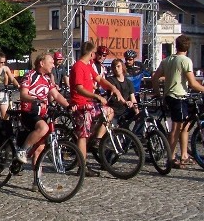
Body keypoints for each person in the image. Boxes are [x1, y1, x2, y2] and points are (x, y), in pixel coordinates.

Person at [69, 42, 125, 177]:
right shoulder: (78, 67)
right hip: (81, 104)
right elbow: (79, 88)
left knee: (109, 111)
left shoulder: (88, 66)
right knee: (83, 135)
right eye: (95, 53)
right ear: (91, 53)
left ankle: (97, 139)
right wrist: (96, 96)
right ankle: (82, 167)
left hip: (89, 103)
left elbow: (99, 79)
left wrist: (113, 88)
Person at [151, 34, 204, 168]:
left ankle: (184, 155)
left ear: (176, 45)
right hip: (178, 97)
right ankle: (172, 157)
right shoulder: (185, 60)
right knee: (176, 128)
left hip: (171, 96)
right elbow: (192, 83)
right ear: (188, 47)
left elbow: (155, 77)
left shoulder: (167, 60)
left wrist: (158, 93)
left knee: (185, 126)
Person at [16, 53, 70, 166]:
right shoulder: (29, 75)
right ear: (42, 63)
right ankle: (22, 150)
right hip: (30, 112)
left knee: (39, 150)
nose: (53, 65)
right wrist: (35, 100)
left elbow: (56, 95)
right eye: (50, 63)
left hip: (42, 114)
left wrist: (68, 106)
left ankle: (37, 181)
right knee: (44, 128)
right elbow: (23, 95)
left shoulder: (47, 79)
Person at [106, 59, 138, 126]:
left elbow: (133, 99)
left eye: (118, 66)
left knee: (141, 116)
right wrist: (125, 102)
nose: (116, 69)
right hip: (113, 110)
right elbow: (116, 93)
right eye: (114, 67)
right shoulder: (110, 80)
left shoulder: (129, 82)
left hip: (125, 111)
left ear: (123, 67)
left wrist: (137, 113)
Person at [0, 51, 20, 119]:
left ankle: (5, 128)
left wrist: (18, 85)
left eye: (4, 62)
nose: (3, 64)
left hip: (3, 93)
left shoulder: (5, 68)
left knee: (6, 117)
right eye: (1, 62)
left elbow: (12, 79)